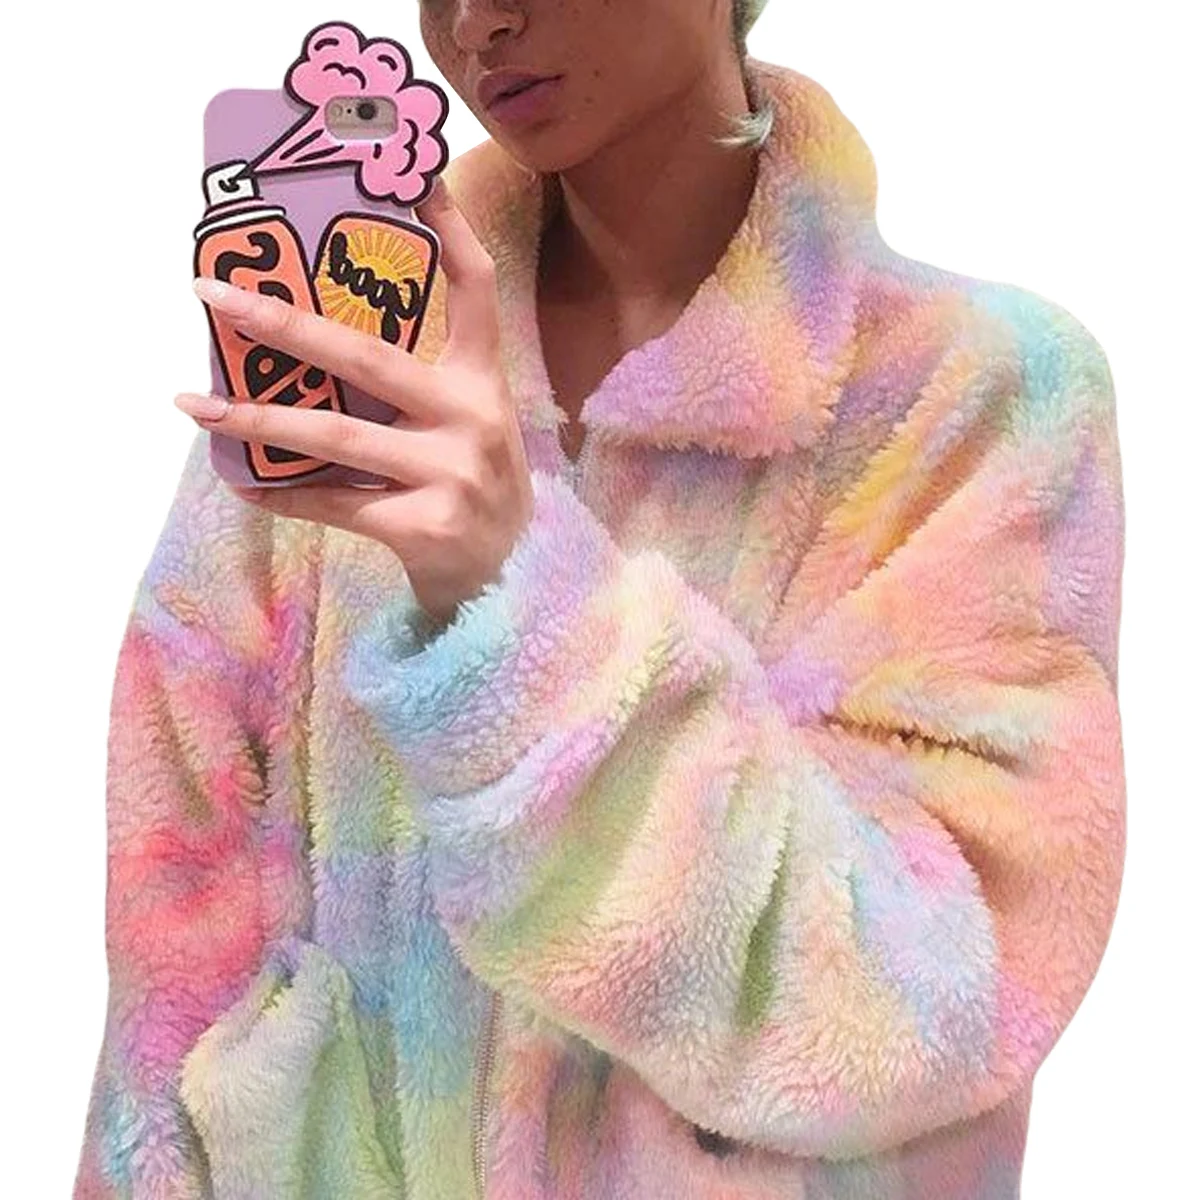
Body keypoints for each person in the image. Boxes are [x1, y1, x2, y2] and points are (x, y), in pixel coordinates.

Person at [73, 2, 1126, 1197]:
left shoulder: (975, 392)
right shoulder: (354, 361)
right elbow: (174, 945)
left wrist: (516, 606)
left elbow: (936, 993)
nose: (477, 21)